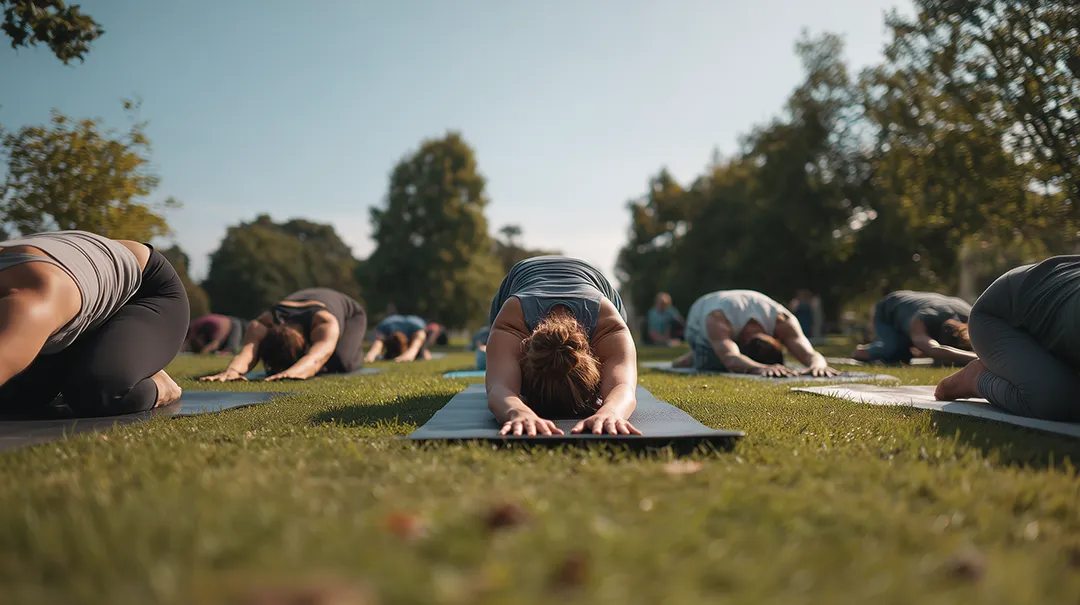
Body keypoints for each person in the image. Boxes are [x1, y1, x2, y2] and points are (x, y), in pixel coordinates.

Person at [0, 230, 188, 417]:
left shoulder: (33, 298)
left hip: (145, 289)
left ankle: (159, 383)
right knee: (14, 396)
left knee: (98, 392)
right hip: (84, 293)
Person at [487, 256, 641, 436]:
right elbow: (498, 389)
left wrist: (612, 412)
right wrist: (517, 411)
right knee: (495, 360)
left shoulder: (608, 321)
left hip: (590, 276)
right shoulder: (512, 315)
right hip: (522, 277)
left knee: (496, 360)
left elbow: (622, 387)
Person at [935, 256, 1080, 421]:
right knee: (1058, 401)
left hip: (1043, 292)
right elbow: (924, 342)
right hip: (999, 313)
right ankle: (976, 378)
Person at [200, 287, 367, 382]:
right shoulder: (263, 323)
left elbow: (317, 358)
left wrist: (295, 371)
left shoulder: (323, 321)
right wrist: (232, 371)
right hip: (305, 298)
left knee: (340, 363)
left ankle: (356, 354)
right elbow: (248, 351)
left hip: (351, 313)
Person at [672, 290, 837, 377]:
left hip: (725, 320)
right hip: (698, 323)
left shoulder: (782, 320)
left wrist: (818, 366)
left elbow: (810, 353)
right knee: (714, 363)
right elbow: (730, 359)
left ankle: (711, 348)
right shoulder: (717, 318)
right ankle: (695, 355)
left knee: (725, 352)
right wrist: (760, 368)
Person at [853, 290, 974, 366]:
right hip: (888, 310)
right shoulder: (925, 318)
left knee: (908, 353)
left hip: (911, 307)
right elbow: (934, 349)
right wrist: (977, 359)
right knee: (895, 352)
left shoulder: (973, 318)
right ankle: (863, 351)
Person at [364, 314, 430, 362]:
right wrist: (371, 355)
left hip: (392, 321)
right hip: (392, 321)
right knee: (422, 350)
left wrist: (410, 354)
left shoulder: (416, 328)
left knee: (421, 349)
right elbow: (378, 344)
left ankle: (421, 352)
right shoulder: (385, 328)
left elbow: (377, 344)